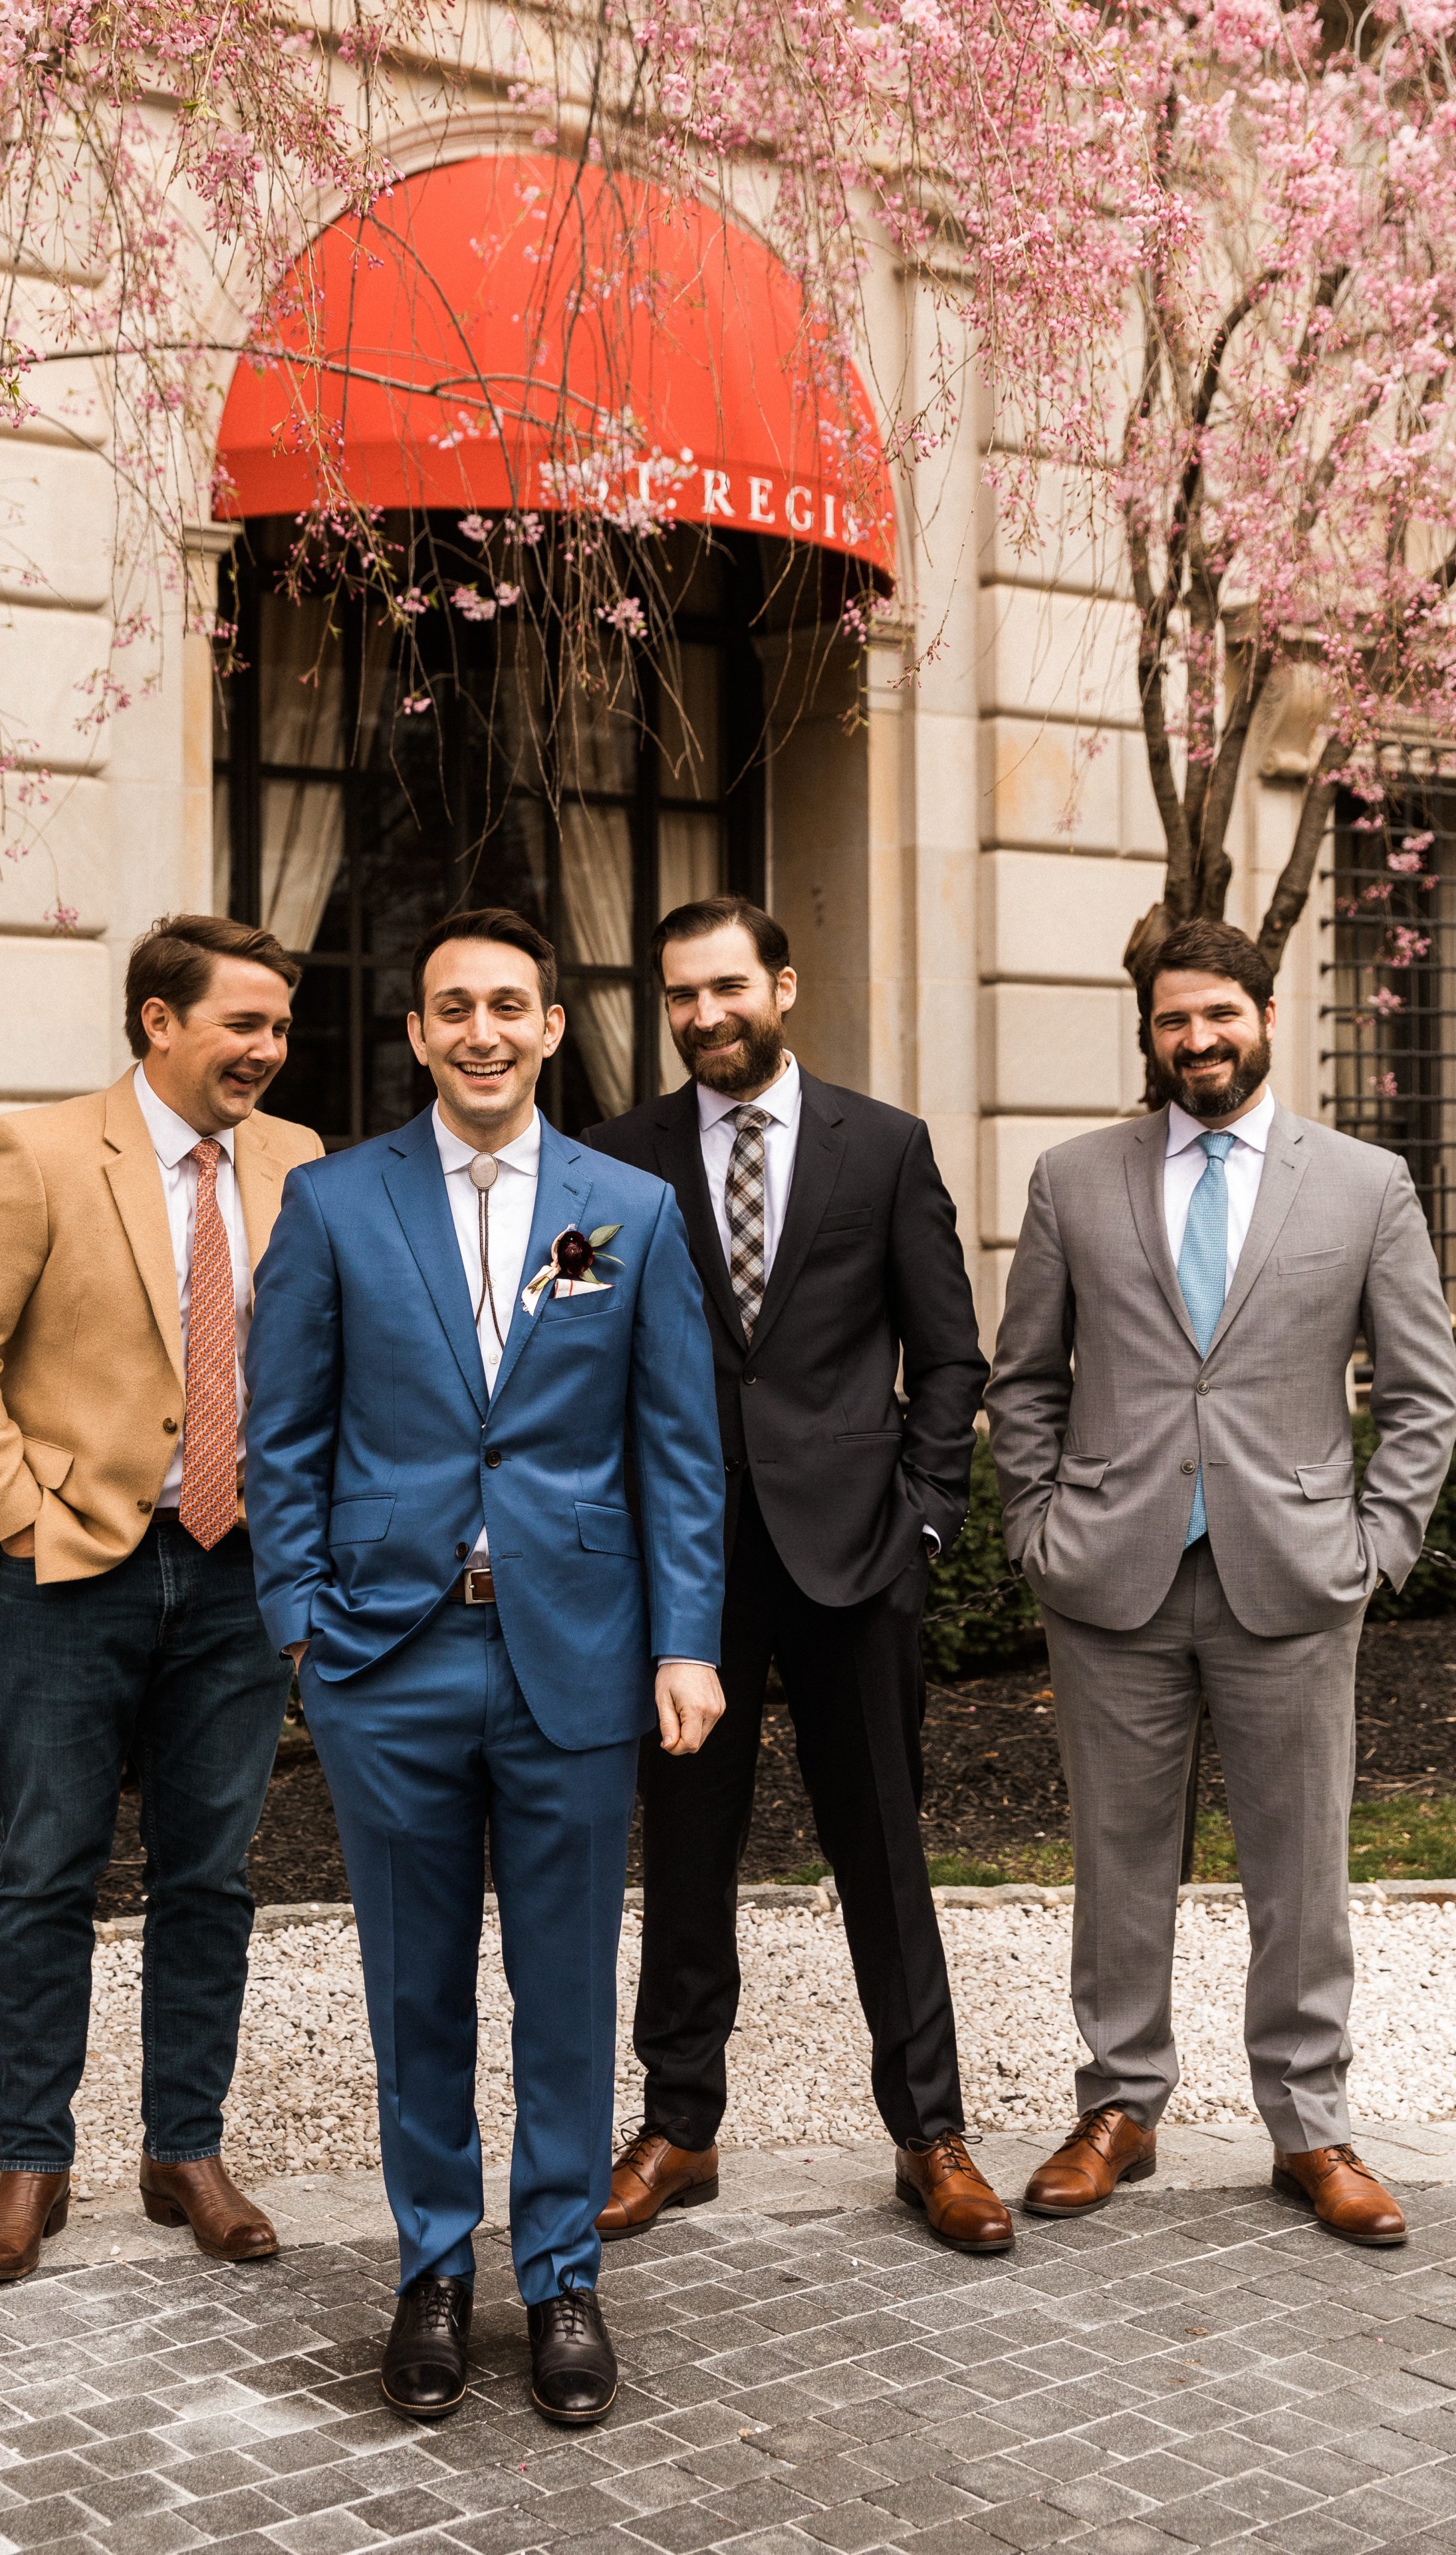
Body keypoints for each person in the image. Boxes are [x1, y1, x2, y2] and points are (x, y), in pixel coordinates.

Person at [245, 908, 725, 2428]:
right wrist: (302, 1624)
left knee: (567, 1982)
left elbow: (676, 1449)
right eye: (450, 1005)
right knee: (416, 1984)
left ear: (552, 1025)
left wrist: (685, 1636)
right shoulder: (331, 1203)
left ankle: (563, 2272)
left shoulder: (625, 1210)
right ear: (413, 1033)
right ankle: (434, 2268)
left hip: (573, 1655)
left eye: (507, 1004)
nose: (480, 1030)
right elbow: (282, 1436)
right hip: (387, 1654)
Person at [987, 915, 1456, 2245]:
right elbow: (1021, 1377)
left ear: (1263, 1011)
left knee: (1297, 1867)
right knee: (1114, 1860)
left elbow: (1421, 1396)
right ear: (1145, 1031)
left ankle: (1307, 2124)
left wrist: (1373, 1548)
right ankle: (1118, 2106)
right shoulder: (1073, 1177)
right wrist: (1035, 1524)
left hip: (1295, 1576)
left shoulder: (1362, 1184)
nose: (1195, 1039)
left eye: (1217, 1015)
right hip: (1108, 1578)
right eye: (1170, 1020)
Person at [0, 914, 319, 2284]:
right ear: (157, 1019)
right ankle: (32, 2157)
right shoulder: (37, 1150)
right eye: (242, 1023)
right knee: (43, 1869)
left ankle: (182, 2145)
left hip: (239, 1566)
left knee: (210, 1872)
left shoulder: (297, 1161)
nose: (267, 1048)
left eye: (276, 1026)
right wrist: (15, 1518)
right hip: (69, 1568)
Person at [585, 896, 1008, 2254]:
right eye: (678, 995)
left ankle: (928, 2131)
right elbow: (580, 1361)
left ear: (780, 983)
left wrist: (926, 1519)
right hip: (683, 1574)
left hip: (855, 1559)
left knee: (883, 1850)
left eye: (724, 986)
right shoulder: (615, 1156)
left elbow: (949, 1354)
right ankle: (677, 2125)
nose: (702, 1014)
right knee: (686, 1851)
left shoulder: (883, 1147)